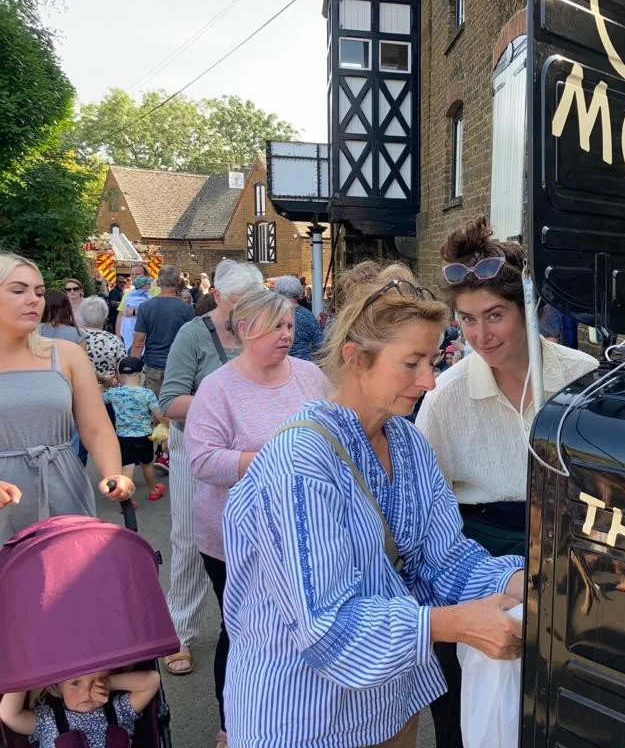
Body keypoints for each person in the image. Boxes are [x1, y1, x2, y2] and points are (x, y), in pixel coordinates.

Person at [221, 261, 525, 748]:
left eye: (433, 361)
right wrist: (453, 623)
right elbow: (327, 630)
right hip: (301, 715)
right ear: (356, 358)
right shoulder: (300, 463)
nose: (429, 381)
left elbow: (444, 558)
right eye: (412, 363)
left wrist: (523, 583)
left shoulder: (405, 441)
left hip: (389, 705)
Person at [414, 216, 598, 748]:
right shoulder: (446, 396)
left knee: (562, 706)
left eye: (494, 315)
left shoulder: (580, 376)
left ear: (528, 309)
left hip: (568, 551)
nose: (479, 335)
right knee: (467, 714)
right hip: (479, 554)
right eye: (467, 319)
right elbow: (429, 507)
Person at [186, 289, 330, 748]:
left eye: (289, 325)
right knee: (243, 628)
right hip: (235, 538)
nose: (287, 335)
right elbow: (203, 461)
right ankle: (233, 723)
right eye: (276, 327)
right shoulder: (217, 387)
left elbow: (333, 429)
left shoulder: (310, 376)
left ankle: (294, 711)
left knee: (299, 621)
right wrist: (275, 457)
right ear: (245, 330)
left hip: (302, 530)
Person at [157, 259, 265, 677]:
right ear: (218, 296)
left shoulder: (262, 327)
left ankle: (245, 629)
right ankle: (178, 632)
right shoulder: (193, 333)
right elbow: (170, 401)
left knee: (249, 541)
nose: (246, 310)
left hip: (253, 453)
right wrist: (224, 404)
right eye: (239, 301)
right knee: (189, 538)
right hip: (198, 447)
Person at [0, 253, 134, 543]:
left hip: (64, 487)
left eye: (38, 291)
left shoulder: (66, 353)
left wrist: (114, 475)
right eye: (18, 290)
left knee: (69, 580)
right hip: (4, 503)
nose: (35, 299)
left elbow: (96, 428)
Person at [0, 670, 160, 748]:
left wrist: (109, 683)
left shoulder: (118, 709)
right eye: (75, 683)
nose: (87, 691)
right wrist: (25, 673)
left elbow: (152, 681)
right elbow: (9, 715)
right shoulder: (47, 719)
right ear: (58, 686)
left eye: (97, 680)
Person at [103, 357, 166, 502]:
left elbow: (98, 399)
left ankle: (127, 499)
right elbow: (158, 414)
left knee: (127, 468)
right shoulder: (147, 393)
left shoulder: (114, 393)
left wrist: (105, 383)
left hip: (123, 437)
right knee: (147, 465)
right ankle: (153, 490)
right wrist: (167, 424)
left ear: (120, 375)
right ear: (140, 374)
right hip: (144, 436)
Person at [131, 264, 195, 398]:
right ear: (178, 282)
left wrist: (133, 368)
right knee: (175, 408)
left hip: (152, 365)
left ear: (159, 282)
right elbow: (192, 341)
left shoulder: (145, 307)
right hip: (178, 366)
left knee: (155, 408)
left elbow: (139, 342)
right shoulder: (187, 309)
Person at [272, 274, 323, 361]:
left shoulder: (271, 314)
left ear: (277, 291)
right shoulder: (308, 315)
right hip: (304, 363)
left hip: (277, 363)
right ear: (298, 292)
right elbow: (319, 344)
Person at [79, 296, 127, 387]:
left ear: (81, 314)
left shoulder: (73, 338)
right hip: (108, 392)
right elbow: (122, 372)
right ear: (105, 315)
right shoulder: (114, 341)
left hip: (79, 390)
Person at [117, 276, 152, 351]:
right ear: (143, 285)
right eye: (148, 283)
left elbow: (125, 310)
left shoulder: (129, 295)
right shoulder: (146, 295)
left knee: (129, 343)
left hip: (127, 322)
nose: (150, 285)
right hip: (139, 323)